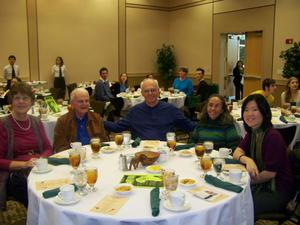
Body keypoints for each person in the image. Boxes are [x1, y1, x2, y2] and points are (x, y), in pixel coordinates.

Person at [233, 94, 294, 216]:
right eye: (246, 110)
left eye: (255, 109)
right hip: (261, 182)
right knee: (234, 197)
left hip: (277, 190)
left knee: (240, 206)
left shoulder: (272, 137)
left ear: (264, 112)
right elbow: (236, 153)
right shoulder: (253, 133)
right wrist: (247, 160)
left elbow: (269, 174)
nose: (249, 114)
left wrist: (245, 183)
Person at [0, 82, 52, 208]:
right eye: (17, 98)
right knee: (37, 194)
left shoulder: (36, 121)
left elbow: (48, 148)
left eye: (25, 98)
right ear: (11, 101)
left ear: (31, 102)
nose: (21, 102)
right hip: (17, 173)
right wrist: (25, 164)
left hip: (40, 167)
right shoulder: (3, 124)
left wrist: (40, 160)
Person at [104, 78, 197, 140]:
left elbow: (188, 126)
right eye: (146, 91)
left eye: (153, 90)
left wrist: (207, 121)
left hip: (164, 152)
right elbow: (117, 127)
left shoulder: (171, 110)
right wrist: (98, 120)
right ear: (142, 94)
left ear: (158, 92)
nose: (150, 93)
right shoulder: (134, 111)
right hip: (140, 152)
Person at [53, 88, 108, 152]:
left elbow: (104, 141)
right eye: (80, 101)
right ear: (72, 103)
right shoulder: (62, 121)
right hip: (74, 157)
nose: (84, 104)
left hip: (94, 154)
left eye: (87, 101)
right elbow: (60, 147)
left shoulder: (96, 118)